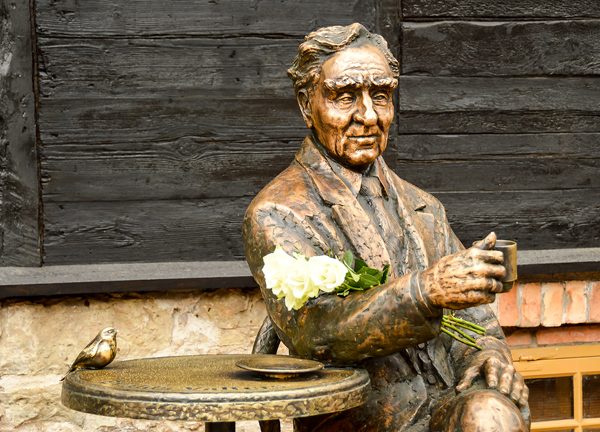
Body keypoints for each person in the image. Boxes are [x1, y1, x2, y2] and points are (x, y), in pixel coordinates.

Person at [243, 23, 529, 432]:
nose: (369, 115)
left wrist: (486, 353)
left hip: (448, 405)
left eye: (380, 96)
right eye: (345, 96)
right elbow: (316, 333)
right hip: (361, 416)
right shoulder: (279, 212)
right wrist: (424, 291)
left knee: (489, 413)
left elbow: (476, 319)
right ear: (307, 105)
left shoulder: (424, 206)